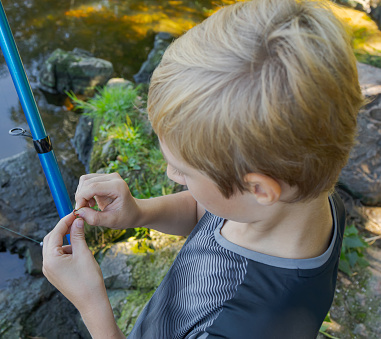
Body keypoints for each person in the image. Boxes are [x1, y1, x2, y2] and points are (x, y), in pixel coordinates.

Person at [42, 0, 365, 337]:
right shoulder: (302, 196)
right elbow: (205, 213)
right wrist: (139, 213)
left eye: (183, 170)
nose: (171, 174)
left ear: (258, 188)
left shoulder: (242, 328)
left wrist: (92, 305)